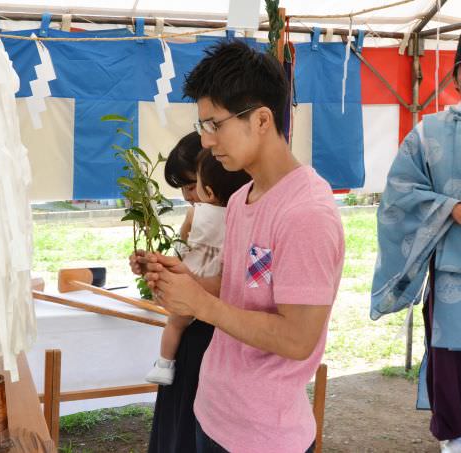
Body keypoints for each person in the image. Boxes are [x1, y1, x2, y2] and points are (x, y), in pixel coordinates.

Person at [133, 40, 345, 453]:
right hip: (214, 411)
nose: (207, 141)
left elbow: (298, 338)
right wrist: (186, 281)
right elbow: (238, 290)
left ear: (262, 120)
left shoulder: (307, 213)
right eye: (202, 127)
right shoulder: (240, 199)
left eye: (215, 125)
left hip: (262, 436)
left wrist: (200, 304)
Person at [371, 36, 461, 453]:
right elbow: (398, 196)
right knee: (453, 367)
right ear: (457, 78)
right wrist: (449, 208)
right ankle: (454, 439)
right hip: (452, 279)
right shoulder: (431, 134)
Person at [146, 149, 250, 386]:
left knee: (175, 324)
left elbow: (182, 250)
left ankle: (163, 363)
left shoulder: (197, 213)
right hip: (211, 297)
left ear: (209, 189)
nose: (187, 197)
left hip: (198, 301)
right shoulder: (239, 217)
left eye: (193, 186)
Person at [144, 131, 211, 453]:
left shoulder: (246, 213)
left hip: (213, 335)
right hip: (191, 333)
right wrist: (158, 271)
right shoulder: (194, 216)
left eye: (189, 185)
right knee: (179, 427)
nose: (187, 196)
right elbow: (184, 267)